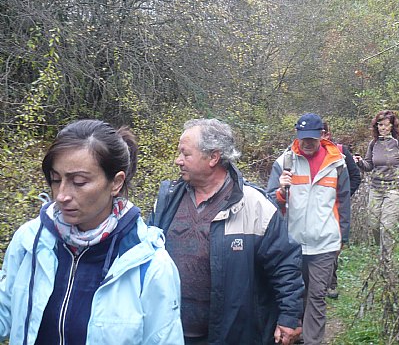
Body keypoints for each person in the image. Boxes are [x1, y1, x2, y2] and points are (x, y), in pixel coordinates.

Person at [0, 119, 183, 344]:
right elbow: (5, 310)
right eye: (56, 180)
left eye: (79, 182)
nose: (61, 195)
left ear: (116, 183)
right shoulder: (30, 240)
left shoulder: (148, 264)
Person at [148, 119, 304, 345]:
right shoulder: (167, 200)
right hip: (168, 333)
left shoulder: (254, 205)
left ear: (213, 157)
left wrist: (289, 317)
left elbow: (285, 264)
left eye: (185, 154)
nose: (178, 160)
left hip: (232, 334)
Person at [267, 113, 351, 345]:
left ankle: (313, 341)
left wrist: (343, 236)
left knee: (316, 296)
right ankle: (297, 335)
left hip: (325, 243)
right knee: (296, 296)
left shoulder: (337, 163)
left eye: (312, 138)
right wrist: (280, 192)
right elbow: (269, 205)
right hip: (291, 244)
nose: (307, 142)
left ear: (322, 136)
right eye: (303, 137)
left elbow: (343, 201)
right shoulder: (284, 163)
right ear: (297, 136)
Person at [353, 110, 399, 257]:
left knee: (386, 227)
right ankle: (381, 250)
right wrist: (360, 162)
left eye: (386, 125)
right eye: (380, 125)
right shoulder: (373, 144)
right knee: (373, 223)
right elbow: (369, 165)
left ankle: (385, 263)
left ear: (392, 127)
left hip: (395, 189)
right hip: (376, 189)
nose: (383, 128)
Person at [321, 121, 361, 300]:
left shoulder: (341, 151)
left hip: (334, 208)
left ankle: (331, 284)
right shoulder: (301, 155)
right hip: (313, 209)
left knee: (333, 246)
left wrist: (342, 196)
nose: (320, 137)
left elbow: (355, 176)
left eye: (323, 133)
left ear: (328, 134)